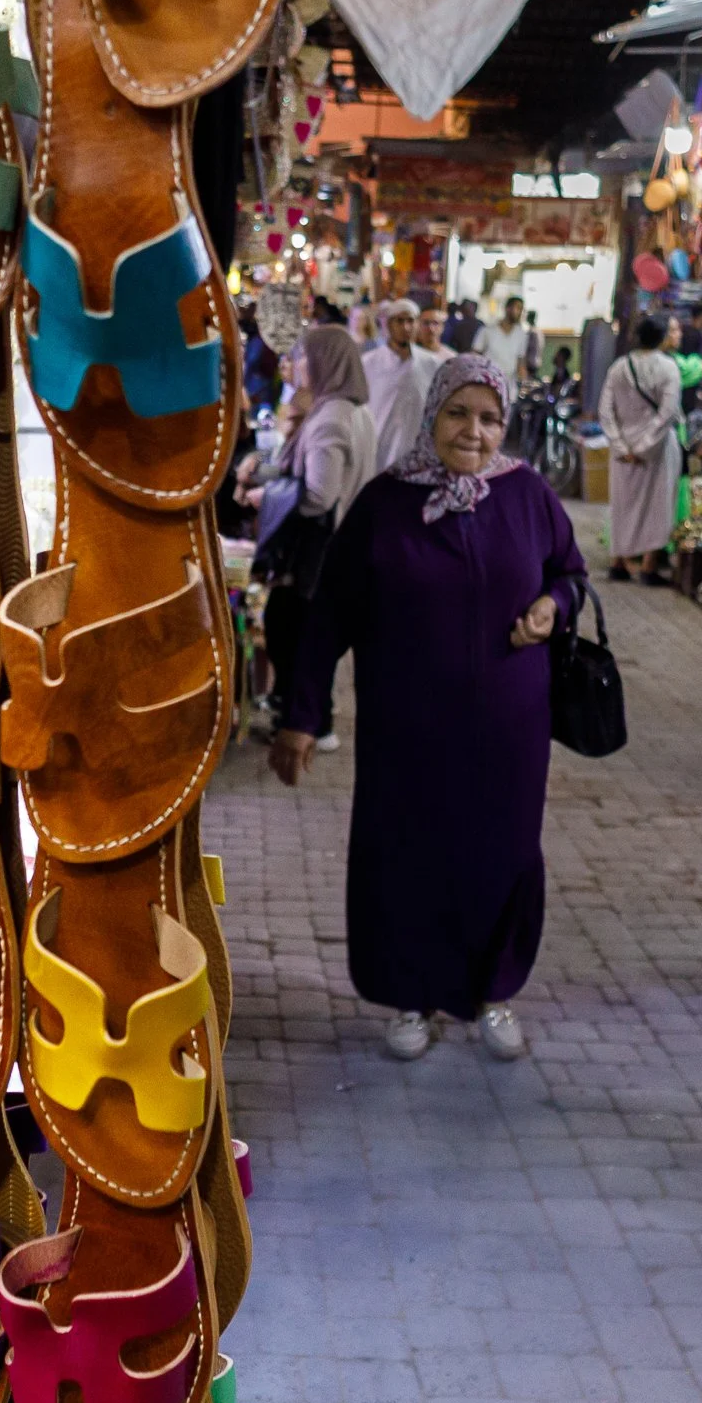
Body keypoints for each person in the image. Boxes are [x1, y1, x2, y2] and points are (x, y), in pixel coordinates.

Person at [269, 355, 589, 1062]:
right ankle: (411, 997)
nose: (474, 431)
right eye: (458, 413)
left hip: (510, 728)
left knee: (503, 853)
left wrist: (552, 606)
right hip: (408, 728)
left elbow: (570, 572)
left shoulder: (527, 494)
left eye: (490, 418)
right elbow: (329, 616)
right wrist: (301, 716)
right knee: (407, 852)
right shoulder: (384, 505)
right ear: (431, 414)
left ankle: (492, 992)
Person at [253, 324, 377, 753]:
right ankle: (312, 717)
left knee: (293, 632)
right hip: (342, 544)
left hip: (317, 551)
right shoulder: (355, 412)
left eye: (304, 355)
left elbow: (319, 495)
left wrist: (267, 496)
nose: (298, 363)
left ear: (325, 362)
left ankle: (307, 722)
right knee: (310, 634)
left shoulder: (330, 419)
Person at [599, 314, 683, 581]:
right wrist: (645, 446)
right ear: (662, 338)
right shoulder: (668, 368)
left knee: (622, 504)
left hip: (623, 448)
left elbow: (606, 411)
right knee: (657, 504)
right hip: (658, 448)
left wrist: (622, 447)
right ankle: (648, 565)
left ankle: (618, 562)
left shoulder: (618, 367)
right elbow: (668, 412)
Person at [363, 300, 438, 468]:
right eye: (399, 321)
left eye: (410, 321)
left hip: (416, 450)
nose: (406, 327)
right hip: (377, 447)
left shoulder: (432, 363)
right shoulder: (368, 363)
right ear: (389, 324)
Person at [478, 295, 531, 387]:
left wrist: (525, 382)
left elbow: (521, 362)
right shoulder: (487, 331)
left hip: (509, 386)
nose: (520, 313)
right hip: (488, 384)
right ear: (507, 309)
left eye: (521, 309)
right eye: (518, 308)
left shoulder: (521, 335)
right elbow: (475, 356)